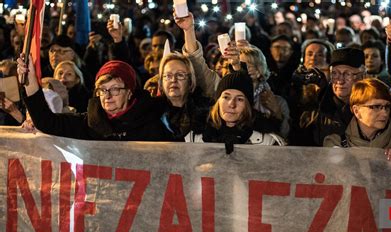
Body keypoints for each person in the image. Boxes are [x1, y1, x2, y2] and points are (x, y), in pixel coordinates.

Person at [17, 56, 168, 141]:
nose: (107, 96)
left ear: (129, 92)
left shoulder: (152, 122)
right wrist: (29, 81)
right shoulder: (90, 123)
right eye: (102, 90)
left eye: (115, 89)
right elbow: (47, 122)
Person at [185, 71, 285, 146]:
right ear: (218, 100)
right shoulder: (194, 137)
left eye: (240, 99)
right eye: (226, 97)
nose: (231, 104)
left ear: (248, 105)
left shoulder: (268, 142)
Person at [295, 48, 365, 146]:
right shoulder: (314, 110)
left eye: (347, 74)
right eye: (335, 74)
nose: (340, 80)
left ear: (362, 76)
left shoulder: (373, 106)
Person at [324, 78, 391, 151]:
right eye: (376, 106)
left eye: (387, 106)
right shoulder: (335, 143)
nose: (384, 113)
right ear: (356, 111)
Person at [155, 52, 211, 141]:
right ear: (161, 83)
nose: (174, 80)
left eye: (180, 75)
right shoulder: (151, 113)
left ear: (190, 82)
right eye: (168, 76)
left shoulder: (206, 112)